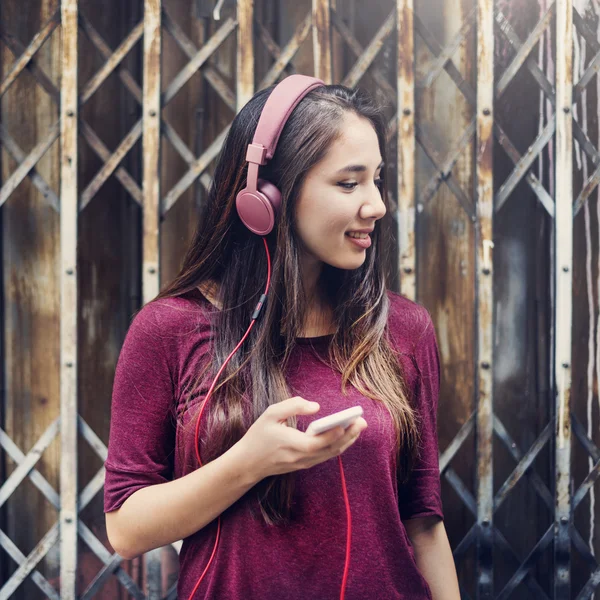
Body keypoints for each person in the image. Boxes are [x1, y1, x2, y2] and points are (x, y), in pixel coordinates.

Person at [104, 75, 461, 600]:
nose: (377, 205)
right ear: (266, 196)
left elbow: (423, 523)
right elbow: (126, 529)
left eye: (377, 180)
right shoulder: (169, 329)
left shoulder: (404, 329)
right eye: (349, 183)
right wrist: (249, 462)